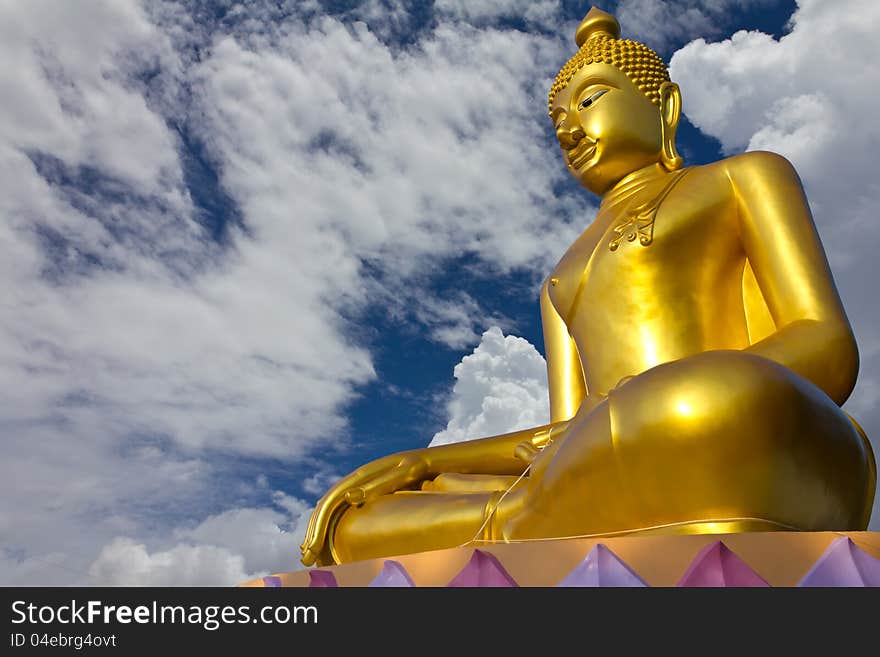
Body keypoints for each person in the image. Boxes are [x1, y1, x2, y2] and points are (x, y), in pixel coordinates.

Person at [300, 7, 876, 568]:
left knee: (700, 403)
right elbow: (564, 431)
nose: (570, 129)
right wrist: (423, 462)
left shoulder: (741, 177)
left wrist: (663, 395)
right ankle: (522, 518)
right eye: (557, 123)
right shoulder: (560, 278)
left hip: (738, 431)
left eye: (590, 101)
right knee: (357, 523)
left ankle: (524, 522)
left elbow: (826, 347)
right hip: (594, 461)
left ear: (664, 105)